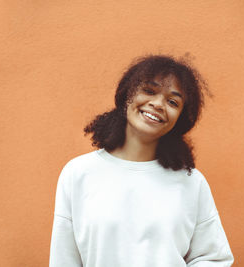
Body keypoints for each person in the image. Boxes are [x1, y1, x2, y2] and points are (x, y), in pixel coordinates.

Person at [49, 55, 234, 266]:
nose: (158, 104)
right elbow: (64, 259)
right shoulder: (78, 173)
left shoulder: (191, 182)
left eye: (173, 101)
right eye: (149, 91)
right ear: (128, 93)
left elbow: (214, 258)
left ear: (180, 118)